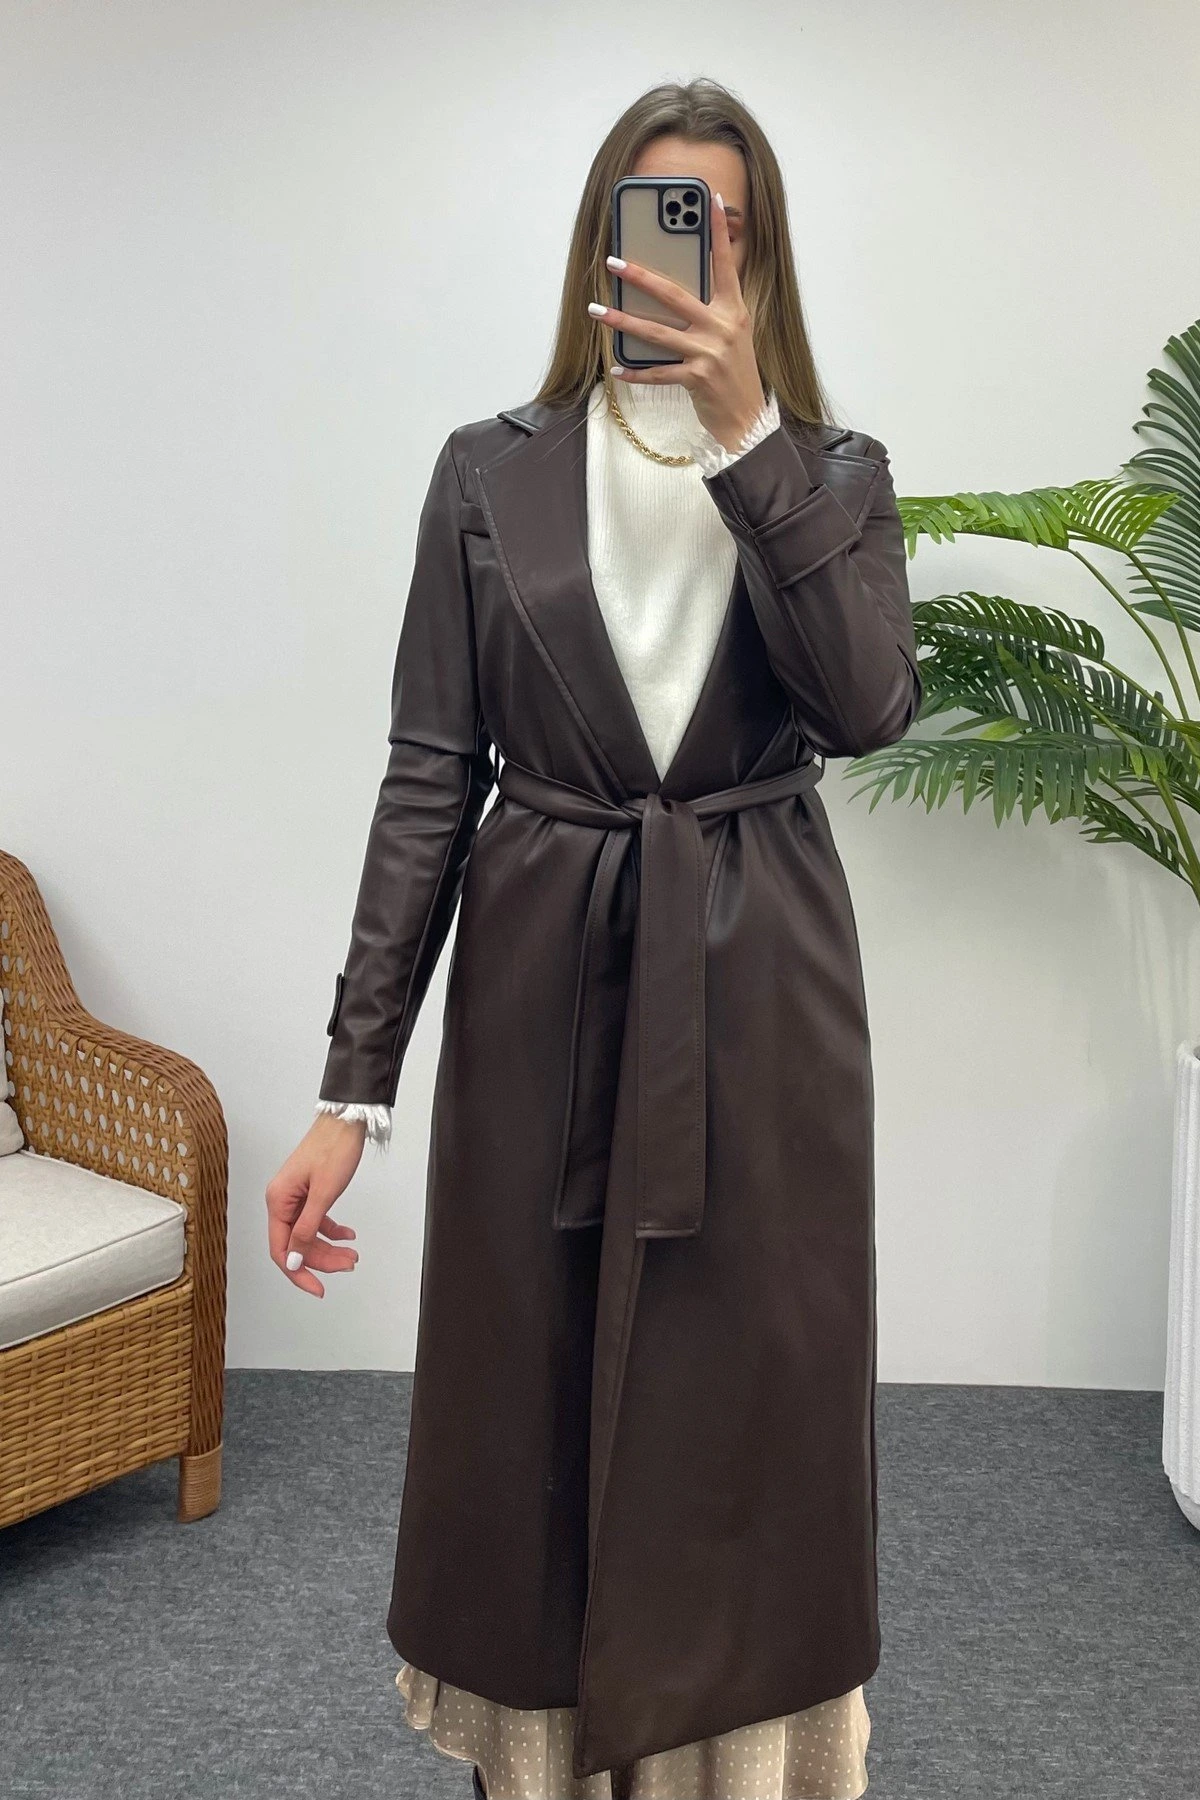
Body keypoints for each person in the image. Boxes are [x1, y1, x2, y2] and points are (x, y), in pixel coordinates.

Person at [266, 75, 922, 1800]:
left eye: (726, 233)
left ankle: (743, 1758)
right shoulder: (488, 473)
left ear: (760, 263)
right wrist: (351, 1091)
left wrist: (750, 443)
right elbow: (430, 773)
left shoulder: (835, 476)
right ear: (601, 250)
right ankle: (543, 1762)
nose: (691, 265)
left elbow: (867, 708)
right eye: (663, 224)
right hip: (542, 982)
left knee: (753, 1388)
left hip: (760, 988)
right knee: (531, 1392)